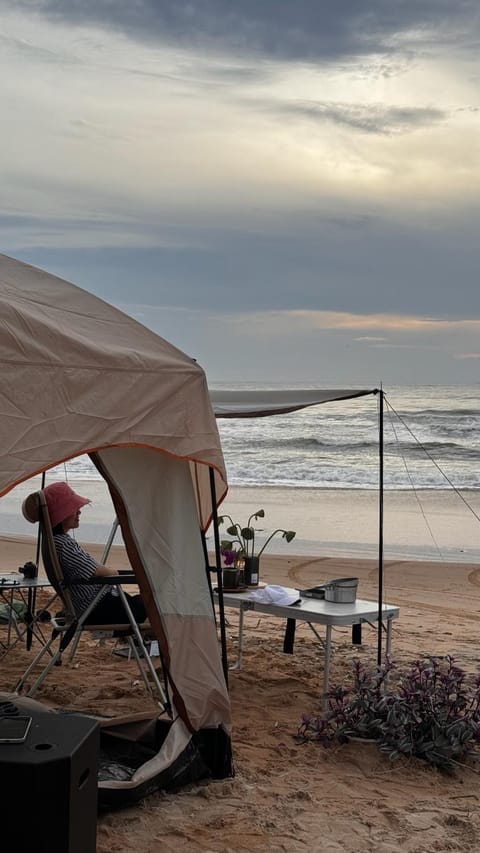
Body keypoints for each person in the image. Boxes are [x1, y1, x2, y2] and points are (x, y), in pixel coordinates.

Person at [43, 481, 147, 625]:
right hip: (98, 608)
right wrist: (116, 573)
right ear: (61, 515)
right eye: (74, 508)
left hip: (91, 607)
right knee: (155, 606)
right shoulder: (63, 544)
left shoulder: (53, 542)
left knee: (144, 602)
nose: (79, 511)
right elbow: (98, 571)